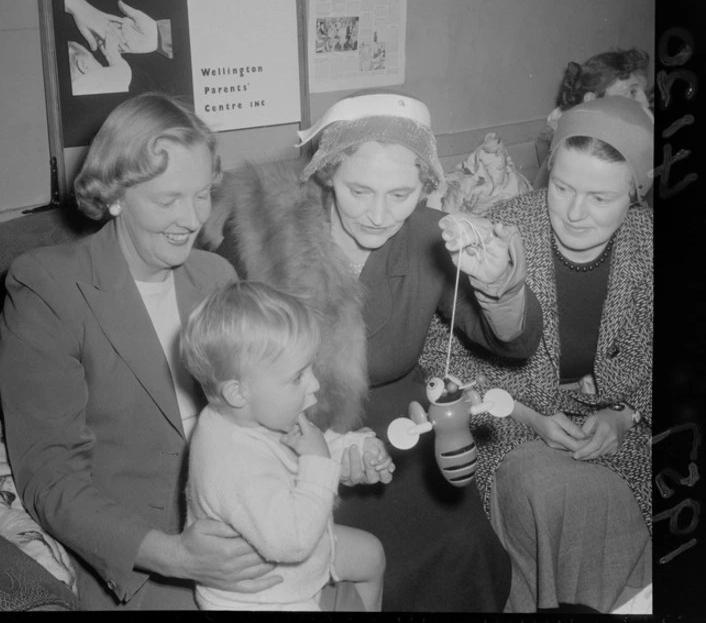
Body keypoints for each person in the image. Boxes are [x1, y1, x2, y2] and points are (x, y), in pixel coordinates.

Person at [198, 91, 545, 611]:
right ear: (327, 174)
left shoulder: (431, 237)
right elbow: (227, 382)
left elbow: (512, 343)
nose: (380, 215)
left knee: (462, 544)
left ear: (426, 188)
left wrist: (501, 286)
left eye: (401, 194)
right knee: (367, 568)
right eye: (359, 190)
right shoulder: (261, 235)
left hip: (398, 435)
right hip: (287, 439)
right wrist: (323, 447)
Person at [0, 93, 281, 610]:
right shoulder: (47, 286)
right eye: (167, 200)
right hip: (142, 559)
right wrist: (175, 556)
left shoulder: (217, 276)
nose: (191, 220)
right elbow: (49, 475)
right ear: (116, 195)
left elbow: (257, 411)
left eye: (201, 196)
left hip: (239, 515)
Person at [421, 95, 653, 613]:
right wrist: (527, 415)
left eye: (599, 198)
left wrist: (624, 415)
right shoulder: (497, 233)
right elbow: (441, 358)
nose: (573, 212)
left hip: (630, 436)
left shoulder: (653, 246)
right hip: (510, 426)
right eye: (563, 187)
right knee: (564, 499)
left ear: (635, 196)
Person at [182, 280, 392, 611]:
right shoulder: (231, 463)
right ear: (238, 392)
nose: (315, 383)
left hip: (294, 564)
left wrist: (352, 446)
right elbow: (292, 541)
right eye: (297, 377)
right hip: (266, 599)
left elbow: (298, 447)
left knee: (370, 553)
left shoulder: (249, 413)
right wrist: (320, 464)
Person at [534, 47, 652, 190]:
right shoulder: (573, 150)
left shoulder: (636, 136)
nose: (644, 102)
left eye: (643, 92)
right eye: (632, 92)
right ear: (592, 100)